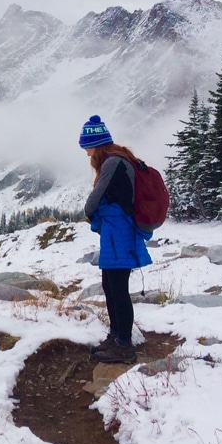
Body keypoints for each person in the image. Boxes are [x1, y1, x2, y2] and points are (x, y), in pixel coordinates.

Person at [80, 114, 153, 364]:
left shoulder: (112, 163)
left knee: (118, 288)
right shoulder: (119, 159)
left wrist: (89, 214)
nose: (87, 154)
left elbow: (95, 198)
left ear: (96, 144)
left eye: (87, 148)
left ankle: (124, 346)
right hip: (117, 231)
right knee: (111, 285)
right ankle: (116, 336)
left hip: (120, 232)